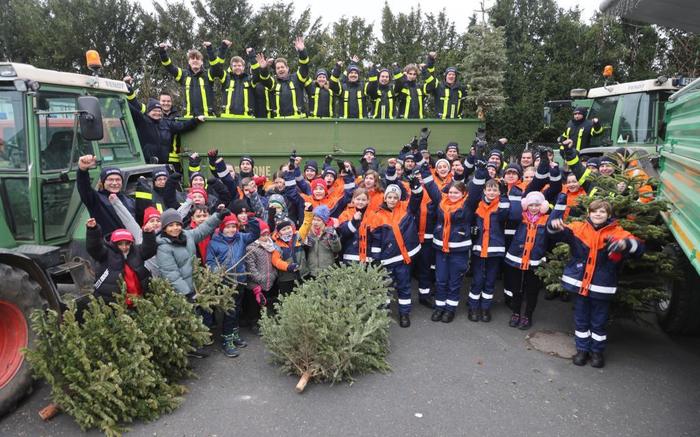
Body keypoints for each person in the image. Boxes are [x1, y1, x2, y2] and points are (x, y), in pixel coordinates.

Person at [548, 199, 644, 368]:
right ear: (589, 213)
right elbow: (557, 233)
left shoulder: (618, 232)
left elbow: (639, 248)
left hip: (602, 286)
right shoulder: (579, 228)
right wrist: (555, 226)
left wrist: (625, 244)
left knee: (599, 321)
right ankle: (582, 350)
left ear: (608, 215)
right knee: (581, 320)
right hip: (579, 284)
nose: (598, 214)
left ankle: (597, 352)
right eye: (595, 211)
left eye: (602, 211)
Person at [421, 160, 486, 322]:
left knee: (454, 282)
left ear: (463, 194)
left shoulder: (468, 205)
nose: (452, 195)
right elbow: (431, 186)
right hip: (441, 250)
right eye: (450, 192)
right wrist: (424, 169)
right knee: (441, 280)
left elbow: (477, 189)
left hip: (459, 251)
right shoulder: (441, 202)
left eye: (456, 192)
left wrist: (481, 171)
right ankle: (439, 307)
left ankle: (450, 309)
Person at [503, 191, 564, 330]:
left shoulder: (546, 219)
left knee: (532, 290)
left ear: (542, 206)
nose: (534, 208)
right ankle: (516, 313)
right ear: (526, 205)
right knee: (517, 288)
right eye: (531, 205)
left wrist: (561, 201)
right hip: (516, 258)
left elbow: (557, 220)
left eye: (537, 205)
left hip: (535, 261)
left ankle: (527, 316)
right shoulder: (520, 217)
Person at [368, 181, 423, 328]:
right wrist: (376, 260)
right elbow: (376, 241)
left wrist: (415, 187)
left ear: (399, 198)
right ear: (385, 198)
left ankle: (404, 314)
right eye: (389, 197)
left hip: (403, 260)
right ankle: (383, 313)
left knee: (404, 286)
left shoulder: (406, 209)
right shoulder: (377, 216)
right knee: (384, 287)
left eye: (395, 197)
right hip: (386, 260)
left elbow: (417, 199)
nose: (392, 200)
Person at [206, 213, 260, 357]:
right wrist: (217, 270)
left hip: (240, 280)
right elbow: (210, 262)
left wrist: (252, 220)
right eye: (228, 227)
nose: (231, 230)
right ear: (222, 228)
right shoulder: (214, 243)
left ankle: (234, 334)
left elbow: (255, 234)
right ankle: (226, 340)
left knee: (237, 310)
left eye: (233, 227)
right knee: (229, 312)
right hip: (225, 283)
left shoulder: (241, 238)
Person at [124, 77, 204, 165]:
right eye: (154, 111)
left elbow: (183, 126)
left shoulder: (167, 123)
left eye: (159, 111)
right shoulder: (142, 120)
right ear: (148, 111)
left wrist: (196, 120)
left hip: (164, 163)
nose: (157, 113)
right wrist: (127, 90)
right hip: (147, 163)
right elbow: (131, 106)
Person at [86, 218, 157, 306]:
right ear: (113, 244)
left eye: (127, 243)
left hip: (138, 299)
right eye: (120, 244)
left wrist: (148, 234)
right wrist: (93, 230)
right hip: (114, 301)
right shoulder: (106, 254)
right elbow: (94, 247)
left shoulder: (136, 251)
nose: (124, 247)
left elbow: (150, 249)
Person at [156, 207, 225, 297]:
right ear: (164, 228)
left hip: (197, 286)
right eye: (171, 225)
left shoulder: (187, 235)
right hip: (182, 293)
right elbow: (171, 275)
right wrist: (186, 292)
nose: (175, 228)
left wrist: (218, 216)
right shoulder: (164, 248)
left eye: (178, 224)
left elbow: (202, 230)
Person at [469, 179, 511, 322]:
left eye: (495, 190)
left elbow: (504, 215)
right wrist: (471, 231)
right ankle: (473, 307)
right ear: (484, 191)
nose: (492, 192)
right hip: (478, 249)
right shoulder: (477, 205)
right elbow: (470, 221)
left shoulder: (502, 205)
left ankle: (485, 308)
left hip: (495, 249)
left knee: (490, 280)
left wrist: (504, 196)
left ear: (499, 192)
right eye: (489, 190)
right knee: (477, 279)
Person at [159, 42, 221, 117]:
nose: (195, 60)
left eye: (197, 58)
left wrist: (209, 49)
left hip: (207, 118)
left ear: (201, 62)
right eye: (192, 58)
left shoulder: (208, 74)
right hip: (189, 119)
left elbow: (215, 66)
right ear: (189, 61)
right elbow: (168, 66)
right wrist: (162, 52)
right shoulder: (182, 74)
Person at [252, 37, 309, 118]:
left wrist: (302, 52)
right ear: (275, 70)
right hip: (279, 124)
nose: (280, 69)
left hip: (298, 123)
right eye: (278, 68)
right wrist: (263, 68)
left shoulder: (297, 79)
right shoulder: (274, 82)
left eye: (282, 67)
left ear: (287, 68)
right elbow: (265, 79)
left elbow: (304, 66)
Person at [76, 154, 134, 235]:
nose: (114, 183)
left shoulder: (130, 201)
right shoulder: (96, 200)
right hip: (109, 245)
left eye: (118, 179)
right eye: (110, 180)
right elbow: (84, 187)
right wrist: (82, 170)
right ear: (103, 182)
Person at [272, 204, 313, 295]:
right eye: (284, 230)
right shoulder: (276, 245)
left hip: (303, 274)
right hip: (286, 279)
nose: (287, 231)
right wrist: (288, 267)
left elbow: (306, 225)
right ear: (278, 233)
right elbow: (276, 261)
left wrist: (308, 212)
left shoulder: (298, 236)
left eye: (288, 228)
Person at [245, 220, 279, 321]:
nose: (266, 237)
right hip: (255, 284)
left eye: (267, 234)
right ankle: (254, 322)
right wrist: (259, 278)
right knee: (254, 306)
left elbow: (275, 262)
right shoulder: (251, 248)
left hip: (269, 280)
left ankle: (264, 321)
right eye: (263, 235)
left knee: (265, 304)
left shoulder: (271, 246)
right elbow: (250, 267)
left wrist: (274, 275)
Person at [215, 41, 256, 118]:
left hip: (246, 119)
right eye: (235, 66)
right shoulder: (226, 78)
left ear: (243, 67)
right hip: (227, 119)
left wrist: (252, 55)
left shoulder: (249, 79)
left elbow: (257, 74)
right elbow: (218, 68)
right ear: (231, 67)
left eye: (239, 65)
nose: (237, 67)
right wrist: (223, 48)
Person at [304, 205, 341, 278]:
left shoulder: (329, 232)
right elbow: (305, 250)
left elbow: (337, 249)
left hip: (327, 271)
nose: (315, 222)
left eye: (318, 220)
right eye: (314, 219)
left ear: (324, 221)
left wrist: (334, 239)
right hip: (312, 270)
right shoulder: (309, 232)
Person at [424, 52, 465, 119]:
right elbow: (431, 76)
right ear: (445, 76)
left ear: (456, 77)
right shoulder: (438, 87)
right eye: (449, 74)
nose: (451, 76)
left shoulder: (460, 88)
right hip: (440, 122)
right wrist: (430, 59)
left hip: (456, 122)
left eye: (453, 74)